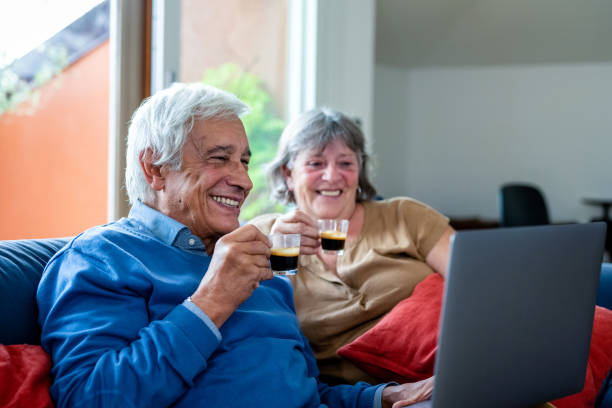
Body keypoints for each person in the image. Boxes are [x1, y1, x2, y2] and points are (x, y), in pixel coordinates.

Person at [36, 83, 433, 407]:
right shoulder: (101, 258)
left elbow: (307, 393)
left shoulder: (263, 267)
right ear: (154, 169)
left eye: (243, 161)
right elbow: (90, 398)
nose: (244, 181)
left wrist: (383, 396)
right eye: (219, 158)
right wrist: (212, 300)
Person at [249, 107, 455, 385]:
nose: (332, 176)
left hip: (434, 381)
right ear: (288, 173)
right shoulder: (264, 234)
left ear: (359, 171)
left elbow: (475, 285)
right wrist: (272, 254)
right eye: (316, 164)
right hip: (338, 395)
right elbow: (242, 329)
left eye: (346, 163)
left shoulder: (406, 217)